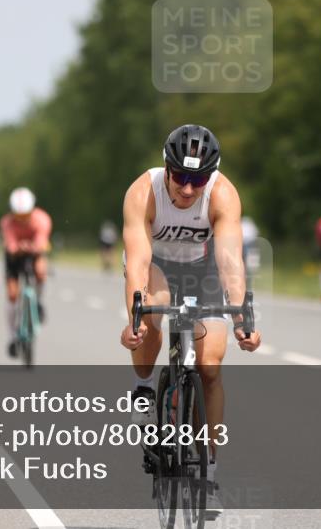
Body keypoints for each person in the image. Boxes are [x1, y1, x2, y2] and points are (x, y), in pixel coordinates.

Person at [119, 124, 262, 517]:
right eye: (180, 176)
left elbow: (231, 260)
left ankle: (209, 469)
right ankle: (145, 387)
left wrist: (241, 317)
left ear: (210, 176)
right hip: (157, 266)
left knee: (210, 364)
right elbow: (138, 261)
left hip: (204, 270)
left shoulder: (223, 194)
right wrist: (136, 315)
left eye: (197, 179)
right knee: (154, 310)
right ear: (166, 168)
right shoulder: (142, 192)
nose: (187, 188)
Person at [0, 187, 52, 357]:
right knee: (12, 294)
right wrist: (18, 248)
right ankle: (12, 336)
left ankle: (39, 301)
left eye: (25, 216)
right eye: (18, 216)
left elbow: (41, 241)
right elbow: (11, 246)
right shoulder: (6, 222)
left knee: (41, 271)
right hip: (14, 257)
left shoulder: (42, 219)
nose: (22, 220)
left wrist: (32, 247)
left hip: (33, 252)